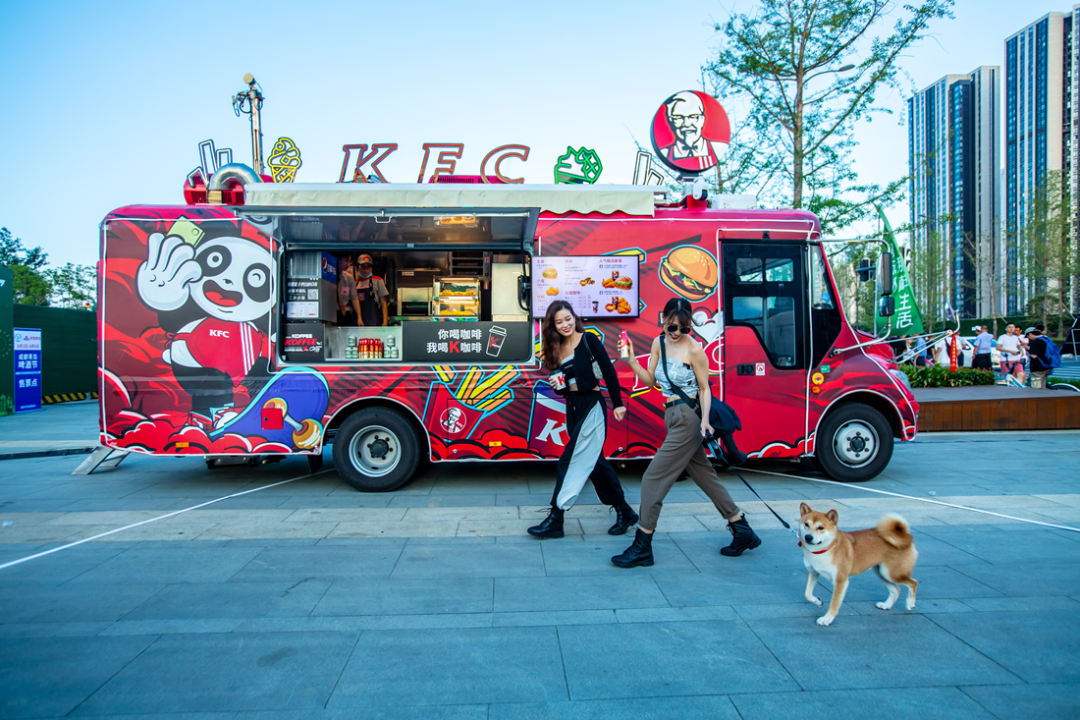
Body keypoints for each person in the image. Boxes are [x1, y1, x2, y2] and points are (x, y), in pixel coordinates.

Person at [611, 298, 760, 567]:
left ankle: (643, 543)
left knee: (652, 479)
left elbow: (705, 389)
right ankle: (741, 529)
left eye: (683, 328)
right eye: (672, 327)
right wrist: (633, 360)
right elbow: (651, 381)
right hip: (671, 415)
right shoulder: (658, 344)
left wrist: (704, 421)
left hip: (688, 418)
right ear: (663, 320)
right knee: (705, 476)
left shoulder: (695, 350)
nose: (677, 332)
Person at [527, 301, 638, 539]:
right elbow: (563, 386)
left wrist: (618, 403)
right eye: (559, 322)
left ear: (574, 317)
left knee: (569, 461)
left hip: (592, 405)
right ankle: (624, 511)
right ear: (552, 326)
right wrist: (559, 387)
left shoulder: (588, 340)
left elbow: (608, 371)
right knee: (595, 463)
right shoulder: (556, 349)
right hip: (573, 407)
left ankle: (556, 518)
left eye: (568, 318)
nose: (565, 324)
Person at [354, 254, 389, 327]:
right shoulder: (354, 284)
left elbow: (383, 302)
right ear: (358, 268)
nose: (365, 269)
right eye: (363, 266)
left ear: (371, 268)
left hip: (374, 323)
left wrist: (385, 322)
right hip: (357, 323)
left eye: (368, 267)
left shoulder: (378, 280)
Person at [337, 254, 360, 326]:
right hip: (332, 313)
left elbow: (354, 298)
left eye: (350, 262)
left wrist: (359, 317)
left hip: (345, 314)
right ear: (338, 259)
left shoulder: (349, 278)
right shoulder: (328, 276)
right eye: (346, 261)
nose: (348, 264)